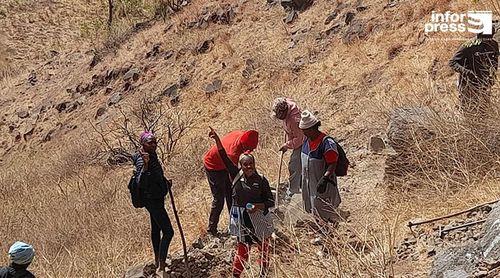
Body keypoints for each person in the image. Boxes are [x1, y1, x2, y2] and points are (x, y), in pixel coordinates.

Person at [208, 127, 274, 278]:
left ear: (254, 164)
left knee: (264, 248)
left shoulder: (261, 180)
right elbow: (223, 156)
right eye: (245, 165)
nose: (249, 167)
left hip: (259, 219)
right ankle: (236, 275)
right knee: (243, 250)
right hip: (242, 220)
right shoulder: (235, 175)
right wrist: (218, 140)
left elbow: (270, 201)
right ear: (241, 166)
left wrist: (258, 206)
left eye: (251, 164)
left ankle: (263, 273)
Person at [132, 131, 174, 274]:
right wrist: (145, 164)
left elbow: (154, 175)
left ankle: (158, 260)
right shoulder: (141, 159)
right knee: (168, 231)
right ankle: (162, 265)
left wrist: (164, 181)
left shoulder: (151, 155)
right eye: (150, 142)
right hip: (152, 200)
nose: (154, 145)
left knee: (156, 229)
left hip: (156, 196)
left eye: (155, 142)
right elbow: (140, 182)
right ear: (143, 144)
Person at [203, 129, 259, 235]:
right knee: (219, 199)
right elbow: (235, 177)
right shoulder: (233, 153)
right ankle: (212, 229)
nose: (251, 152)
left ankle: (235, 223)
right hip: (213, 165)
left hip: (224, 163)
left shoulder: (242, 135)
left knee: (231, 195)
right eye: (250, 150)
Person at [299, 110, 341, 223]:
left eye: (305, 131)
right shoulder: (306, 142)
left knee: (325, 209)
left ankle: (330, 231)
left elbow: (333, 163)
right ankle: (320, 229)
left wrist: (325, 178)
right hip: (310, 183)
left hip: (322, 183)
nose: (304, 133)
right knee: (314, 207)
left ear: (312, 128)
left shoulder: (326, 143)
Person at [449, 27, 498, 119]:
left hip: (484, 84)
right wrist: (467, 72)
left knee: (484, 112)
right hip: (467, 85)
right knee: (469, 112)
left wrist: (493, 76)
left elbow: (495, 61)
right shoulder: (468, 45)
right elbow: (452, 62)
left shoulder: (493, 45)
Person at [271, 97, 305, 200]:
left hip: (305, 141)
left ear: (285, 112)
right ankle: (300, 185)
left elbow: (300, 138)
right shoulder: (286, 104)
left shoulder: (294, 120)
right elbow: (289, 131)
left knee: (294, 165)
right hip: (297, 138)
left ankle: (293, 191)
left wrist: (287, 145)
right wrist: (287, 142)